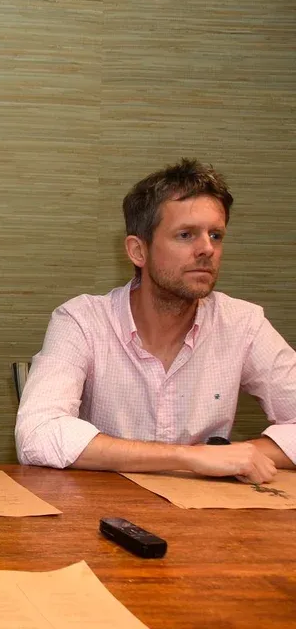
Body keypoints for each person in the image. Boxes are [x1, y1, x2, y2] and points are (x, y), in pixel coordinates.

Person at [16, 158, 296, 482]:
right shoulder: (82, 321)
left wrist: (241, 454)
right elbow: (37, 433)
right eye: (186, 235)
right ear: (138, 251)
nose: (207, 249)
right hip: (107, 505)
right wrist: (189, 457)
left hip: (208, 508)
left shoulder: (243, 324)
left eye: (216, 235)